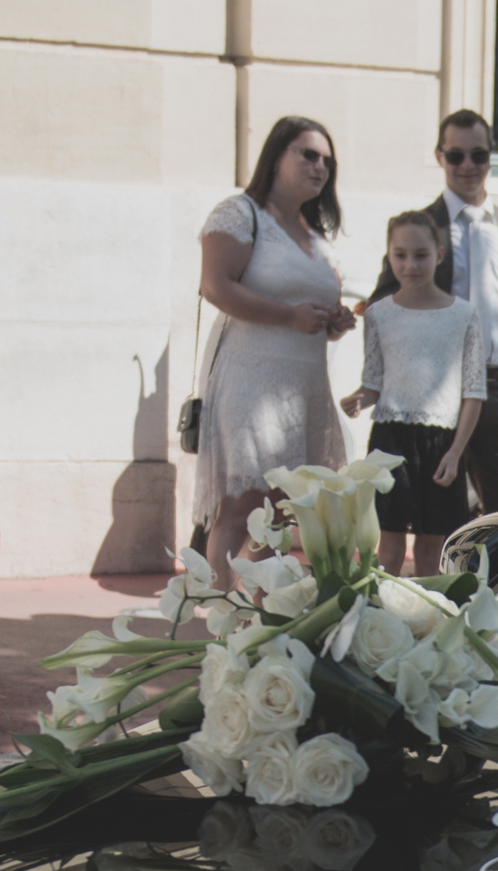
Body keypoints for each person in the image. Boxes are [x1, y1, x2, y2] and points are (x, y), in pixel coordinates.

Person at [193, 115, 357, 580]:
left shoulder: (316, 235)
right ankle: (221, 610)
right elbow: (215, 286)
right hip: (252, 382)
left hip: (304, 388)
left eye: (327, 161)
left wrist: (334, 322)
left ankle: (263, 611)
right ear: (275, 156)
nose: (320, 166)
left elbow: (310, 314)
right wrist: (288, 316)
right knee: (242, 505)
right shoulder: (239, 213)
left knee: (282, 509)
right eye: (308, 154)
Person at [373, 110, 498, 519]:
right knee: (441, 520)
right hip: (438, 394)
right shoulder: (420, 228)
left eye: (478, 155)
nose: (468, 165)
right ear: (439, 156)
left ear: (491, 155)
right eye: (456, 156)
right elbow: (384, 304)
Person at [341, 209, 486, 575]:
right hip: (390, 440)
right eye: (400, 255)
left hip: (441, 443)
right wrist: (359, 398)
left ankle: (426, 610)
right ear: (389, 256)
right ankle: (382, 607)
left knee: (431, 549)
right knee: (388, 546)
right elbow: (374, 382)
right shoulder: (378, 314)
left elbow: (473, 392)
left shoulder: (464, 315)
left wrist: (455, 452)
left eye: (421, 255)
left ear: (439, 254)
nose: (410, 265)